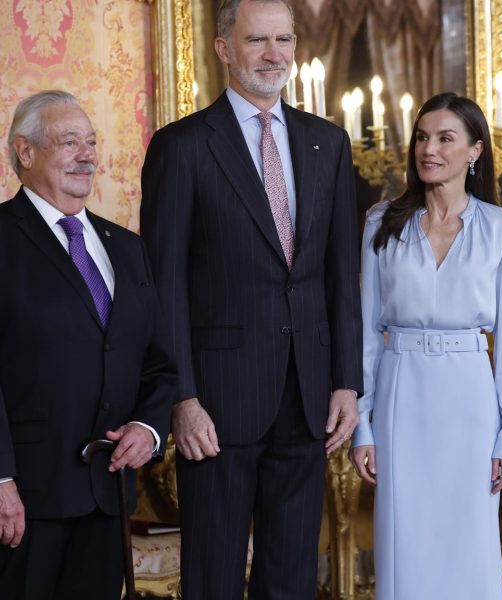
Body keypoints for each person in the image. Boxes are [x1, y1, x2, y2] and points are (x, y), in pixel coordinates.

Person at [140, 0, 363, 596]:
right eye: (257, 40)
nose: (273, 54)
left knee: (291, 576)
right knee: (213, 576)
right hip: (216, 401)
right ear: (224, 49)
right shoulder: (182, 146)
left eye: (283, 39)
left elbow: (341, 274)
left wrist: (347, 381)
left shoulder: (328, 143)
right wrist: (181, 397)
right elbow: (164, 285)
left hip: (308, 396)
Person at [0, 90, 175, 600]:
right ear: (25, 151)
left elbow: (157, 361)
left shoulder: (128, 248)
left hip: (110, 493)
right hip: (26, 498)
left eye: (91, 142)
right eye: (70, 142)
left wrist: (149, 427)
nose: (87, 155)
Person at [349, 92, 502, 599]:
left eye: (446, 138)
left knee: (468, 541)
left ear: (475, 150)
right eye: (423, 137)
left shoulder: (501, 229)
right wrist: (363, 425)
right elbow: (366, 333)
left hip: (470, 400)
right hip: (401, 395)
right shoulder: (382, 222)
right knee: (406, 543)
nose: (429, 149)